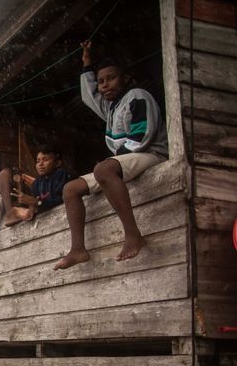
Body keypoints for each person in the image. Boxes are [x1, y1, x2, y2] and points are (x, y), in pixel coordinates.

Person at [54, 41, 168, 270]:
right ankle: (78, 249)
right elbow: (89, 96)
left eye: (111, 78)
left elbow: (140, 137)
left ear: (125, 78)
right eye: (101, 81)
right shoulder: (111, 108)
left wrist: (111, 163)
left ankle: (133, 235)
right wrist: (86, 63)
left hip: (151, 153)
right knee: (70, 189)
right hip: (126, 161)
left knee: (103, 169)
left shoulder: (137, 96)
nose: (105, 85)